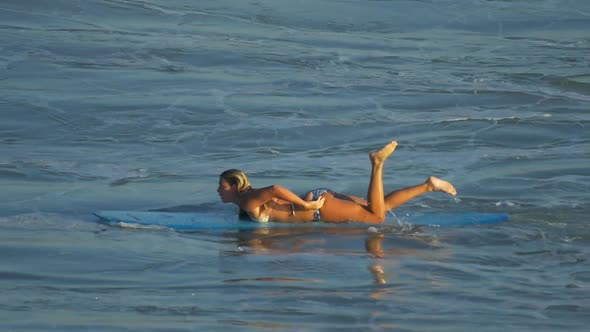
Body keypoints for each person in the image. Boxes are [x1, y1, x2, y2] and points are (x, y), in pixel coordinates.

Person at [217, 141, 457, 224]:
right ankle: (429, 185)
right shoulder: (245, 203)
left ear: (235, 187)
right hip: (321, 200)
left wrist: (307, 206)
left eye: (222, 186)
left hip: (321, 209)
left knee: (377, 216)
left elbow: (275, 189)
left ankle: (377, 163)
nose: (219, 191)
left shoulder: (248, 200)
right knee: (380, 205)